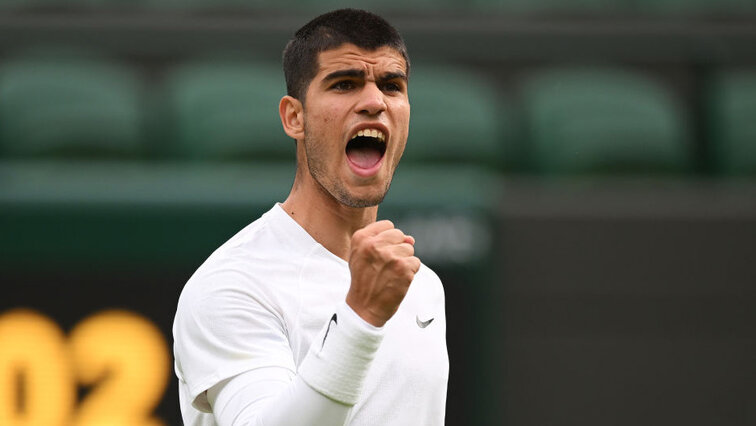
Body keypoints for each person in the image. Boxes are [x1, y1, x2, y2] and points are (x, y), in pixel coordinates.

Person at [173, 8, 448, 426]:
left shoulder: (423, 286)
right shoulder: (231, 285)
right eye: (345, 84)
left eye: (392, 85)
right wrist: (362, 317)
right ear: (294, 117)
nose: (374, 102)